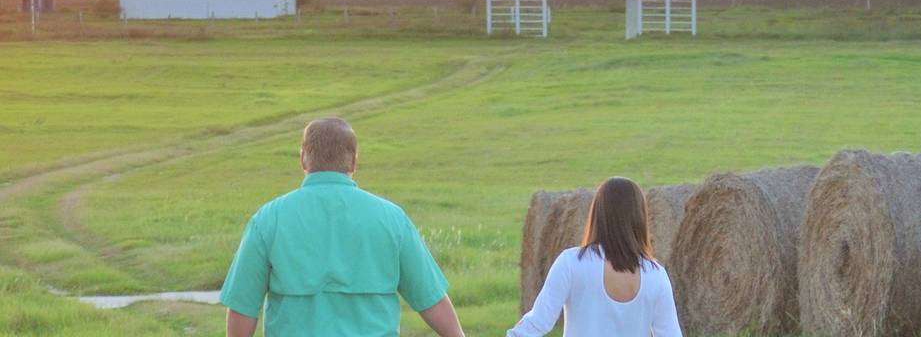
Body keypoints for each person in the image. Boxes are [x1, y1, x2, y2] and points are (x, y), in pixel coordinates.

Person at [220, 117, 465, 337]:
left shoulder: (268, 219)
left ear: (303, 157)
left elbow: (243, 306)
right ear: (354, 160)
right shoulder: (391, 219)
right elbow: (431, 299)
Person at [507, 177, 683, 337]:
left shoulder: (572, 263)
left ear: (597, 213)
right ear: (640, 217)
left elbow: (537, 323)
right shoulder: (656, 276)